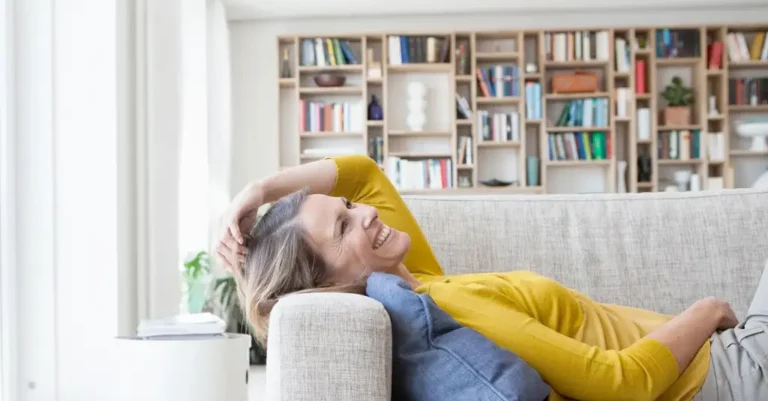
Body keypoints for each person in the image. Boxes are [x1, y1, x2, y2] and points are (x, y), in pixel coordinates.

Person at [217, 154, 768, 401]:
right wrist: (709, 309)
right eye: (344, 225)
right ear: (330, 285)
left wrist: (258, 192)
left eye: (348, 206)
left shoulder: (419, 280)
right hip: (727, 372)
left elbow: (362, 172)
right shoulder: (452, 308)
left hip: (725, 364)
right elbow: (620, 381)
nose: (365, 211)